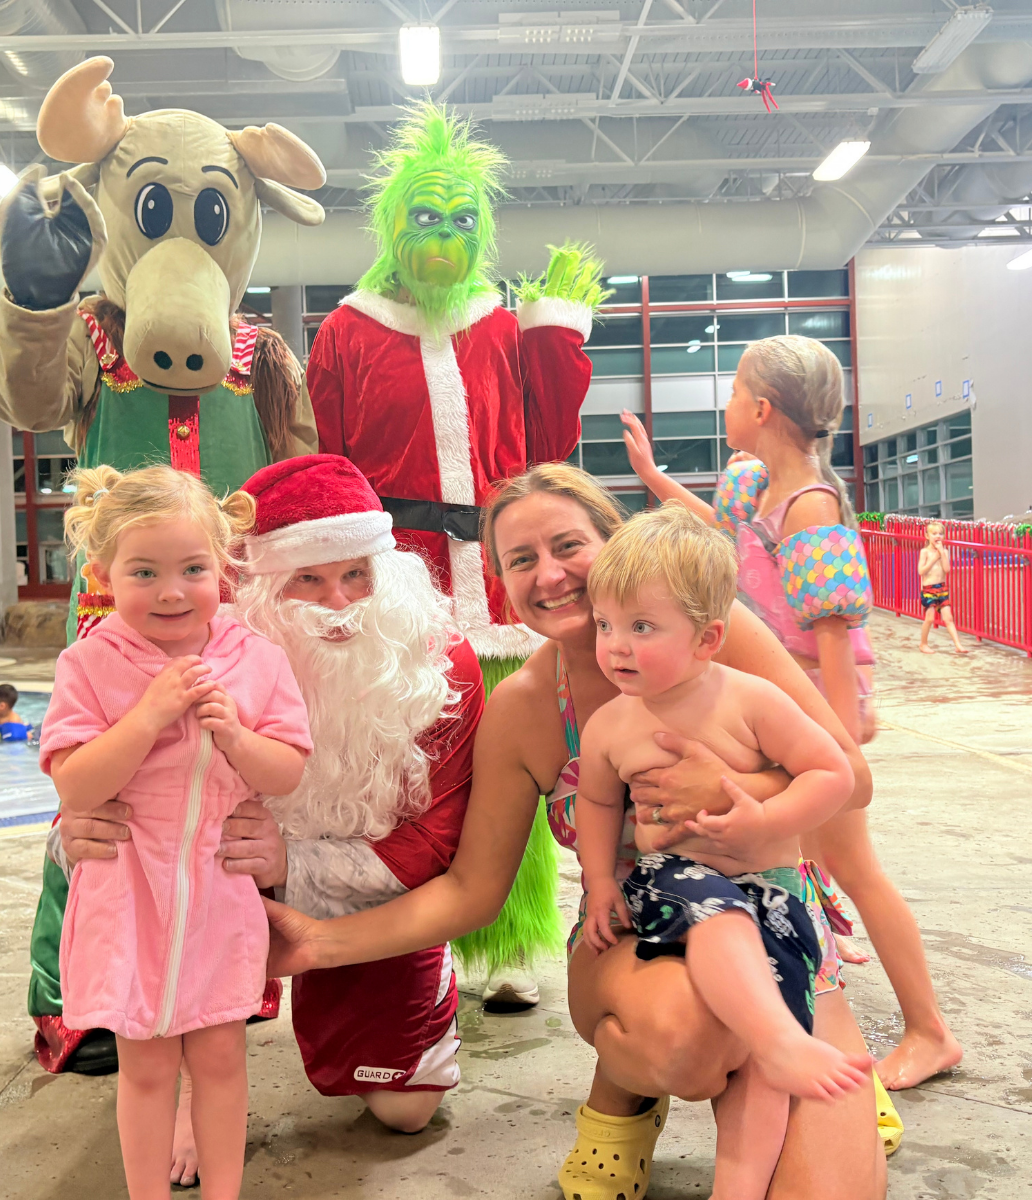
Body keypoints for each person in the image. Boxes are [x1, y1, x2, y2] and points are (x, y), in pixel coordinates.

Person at [265, 463, 886, 1200]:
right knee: (682, 1038)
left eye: (568, 546)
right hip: (633, 933)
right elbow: (470, 890)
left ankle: (784, 1072)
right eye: (521, 559)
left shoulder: (713, 633)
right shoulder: (526, 706)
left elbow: (851, 778)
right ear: (502, 583)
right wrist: (318, 943)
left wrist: (734, 791)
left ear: (614, 544)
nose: (550, 574)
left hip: (780, 922)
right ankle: (627, 1092)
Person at [58, 455, 485, 1185]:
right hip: (199, 874)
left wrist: (290, 864)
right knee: (168, 1041)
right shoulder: (187, 634)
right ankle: (191, 1082)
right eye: (307, 578)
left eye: (357, 574)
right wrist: (73, 830)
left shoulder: (439, 666)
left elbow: (436, 843)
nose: (338, 602)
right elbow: (94, 778)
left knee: (406, 1107)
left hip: (364, 892)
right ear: (257, 584)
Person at [307, 103, 607, 1009]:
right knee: (407, 767)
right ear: (393, 224)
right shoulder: (347, 331)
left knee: (516, 752)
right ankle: (413, 942)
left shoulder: (499, 326)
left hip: (496, 580)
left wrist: (554, 338)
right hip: (396, 582)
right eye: (426, 215)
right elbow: (330, 465)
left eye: (462, 217)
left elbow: (546, 448)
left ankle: (513, 939)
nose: (444, 233)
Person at [622, 334, 960, 1096]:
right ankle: (809, 991)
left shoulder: (809, 507)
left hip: (809, 702)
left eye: (735, 392)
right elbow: (716, 539)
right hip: (774, 702)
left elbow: (833, 637)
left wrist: (837, 751)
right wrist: (652, 478)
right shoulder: (758, 486)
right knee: (801, 859)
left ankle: (930, 1030)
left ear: (763, 408)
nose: (728, 404)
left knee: (855, 867)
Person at [577, 504, 869, 1199]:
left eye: (641, 627)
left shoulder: (751, 700)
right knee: (720, 917)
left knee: (769, 1065)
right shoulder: (611, 724)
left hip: (772, 891)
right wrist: (598, 883)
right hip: (669, 885)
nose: (615, 646)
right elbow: (597, 803)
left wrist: (763, 818)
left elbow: (833, 773)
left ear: (707, 637)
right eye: (605, 624)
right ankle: (781, 1040)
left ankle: (738, 1183)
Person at [38, 463, 311, 1200]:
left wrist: (238, 738)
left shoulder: (257, 661)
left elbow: (287, 770)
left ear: (223, 568)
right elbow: (76, 784)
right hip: (127, 896)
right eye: (144, 572)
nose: (171, 591)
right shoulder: (88, 664)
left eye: (193, 569)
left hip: (218, 894)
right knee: (147, 1066)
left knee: (221, 1058)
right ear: (103, 576)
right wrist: (149, 715)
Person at [918, 521, 968, 655]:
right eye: (934, 534)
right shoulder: (925, 552)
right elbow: (921, 571)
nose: (938, 536)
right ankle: (923, 643)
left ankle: (958, 644)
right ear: (927, 536)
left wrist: (941, 553)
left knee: (948, 618)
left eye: (940, 534)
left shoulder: (945, 551)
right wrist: (934, 558)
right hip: (929, 589)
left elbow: (947, 569)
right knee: (929, 618)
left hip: (942, 588)